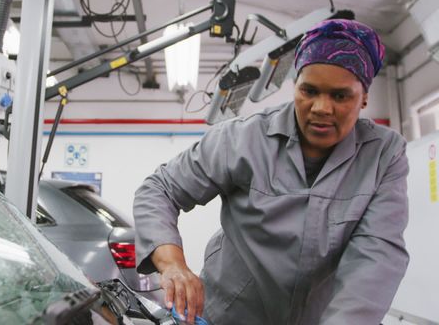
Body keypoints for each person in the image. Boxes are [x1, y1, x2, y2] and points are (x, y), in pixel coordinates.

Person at [133, 19, 409, 324]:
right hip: (228, 315)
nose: (321, 107)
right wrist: (173, 264)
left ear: (364, 97)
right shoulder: (243, 138)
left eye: (340, 96)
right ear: (295, 86)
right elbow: (160, 189)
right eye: (309, 90)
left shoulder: (384, 155)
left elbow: (376, 254)